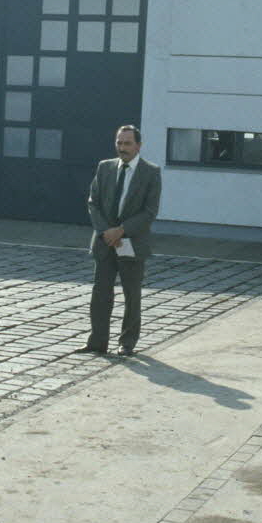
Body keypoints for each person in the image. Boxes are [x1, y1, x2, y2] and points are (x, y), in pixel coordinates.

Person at [76, 125, 162, 357]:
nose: (122, 148)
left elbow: (149, 212)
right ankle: (97, 342)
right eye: (119, 143)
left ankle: (127, 343)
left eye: (127, 143)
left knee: (131, 294)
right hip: (105, 242)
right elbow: (93, 202)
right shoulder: (105, 168)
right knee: (100, 293)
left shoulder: (151, 172)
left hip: (132, 243)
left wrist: (121, 231)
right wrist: (106, 232)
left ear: (138, 145)